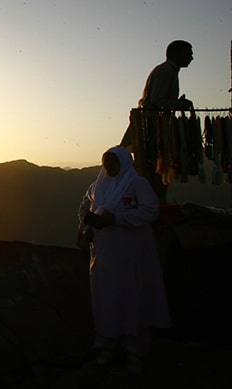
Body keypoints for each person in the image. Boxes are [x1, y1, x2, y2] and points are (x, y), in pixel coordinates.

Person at [77, 146, 171, 375]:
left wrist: (117, 219)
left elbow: (150, 211)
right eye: (106, 160)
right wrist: (86, 228)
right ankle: (106, 346)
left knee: (132, 298)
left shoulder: (137, 184)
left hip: (131, 255)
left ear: (124, 162)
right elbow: (84, 210)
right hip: (104, 255)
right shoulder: (97, 186)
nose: (109, 165)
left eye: (114, 161)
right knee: (106, 299)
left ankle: (135, 351)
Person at [120, 40, 194, 203]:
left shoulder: (167, 70)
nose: (191, 57)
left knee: (154, 168)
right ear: (176, 54)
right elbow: (157, 100)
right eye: (188, 53)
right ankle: (154, 206)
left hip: (153, 125)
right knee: (155, 168)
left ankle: (154, 204)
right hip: (152, 127)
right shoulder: (166, 71)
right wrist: (179, 104)